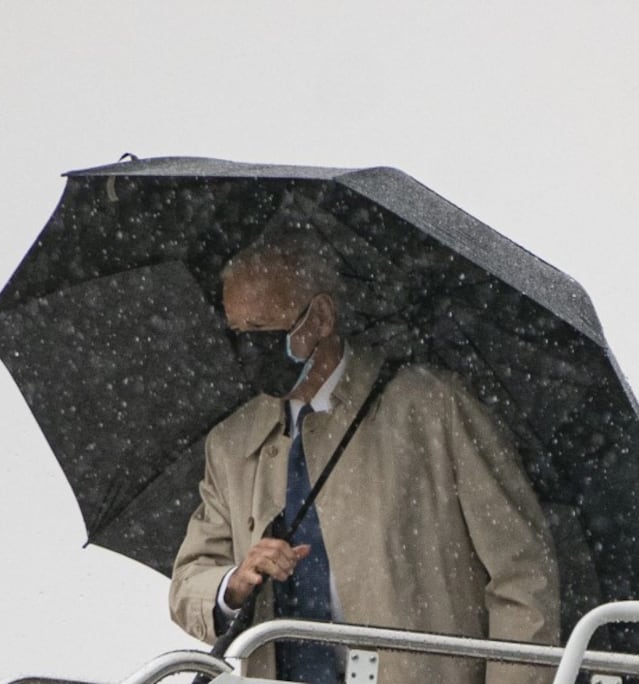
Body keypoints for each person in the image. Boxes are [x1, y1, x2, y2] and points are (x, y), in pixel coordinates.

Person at [168, 226, 560, 683]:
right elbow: (188, 580)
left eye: (262, 330)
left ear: (320, 318)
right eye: (237, 332)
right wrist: (232, 585)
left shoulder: (432, 409)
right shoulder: (232, 442)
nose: (249, 349)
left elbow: (522, 575)